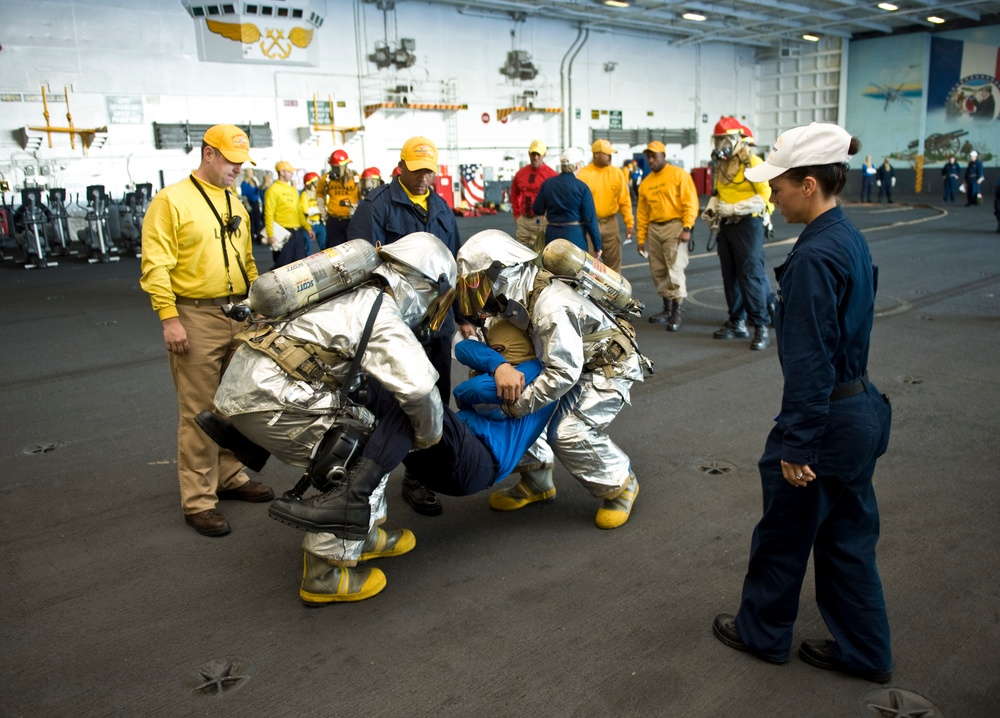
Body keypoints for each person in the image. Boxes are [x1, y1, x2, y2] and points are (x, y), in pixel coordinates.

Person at [212, 233, 558, 602]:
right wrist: (425, 437)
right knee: (359, 454)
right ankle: (325, 571)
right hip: (275, 400)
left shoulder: (349, 292)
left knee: (375, 422)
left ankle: (366, 533)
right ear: (423, 285)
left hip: (245, 391)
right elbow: (421, 389)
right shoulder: (382, 311)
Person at [712, 122, 893, 684]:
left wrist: (798, 442)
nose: (773, 193)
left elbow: (812, 359)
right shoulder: (846, 236)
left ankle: (763, 632)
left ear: (809, 184)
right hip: (860, 409)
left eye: (780, 185)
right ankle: (866, 652)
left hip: (828, 421)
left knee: (784, 535)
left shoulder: (815, 256)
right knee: (847, 541)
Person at [456, 230, 645, 529]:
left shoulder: (550, 304)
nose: (475, 294)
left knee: (567, 431)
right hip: (566, 363)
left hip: (604, 368)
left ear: (501, 274)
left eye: (479, 284)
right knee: (511, 397)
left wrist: (516, 405)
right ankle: (537, 480)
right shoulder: (510, 301)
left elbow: (563, 373)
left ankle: (620, 484)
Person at [139, 123, 274, 537]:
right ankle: (198, 500)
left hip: (237, 312)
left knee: (234, 402)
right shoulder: (171, 201)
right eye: (232, 161)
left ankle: (230, 476)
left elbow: (248, 260)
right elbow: (155, 265)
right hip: (194, 314)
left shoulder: (236, 202)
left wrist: (260, 303)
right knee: (198, 410)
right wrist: (169, 317)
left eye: (242, 162)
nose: (238, 168)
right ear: (208, 154)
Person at [348, 136, 464, 517]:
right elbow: (359, 265)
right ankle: (371, 483)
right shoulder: (377, 207)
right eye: (416, 170)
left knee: (434, 399)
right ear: (400, 166)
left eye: (429, 170)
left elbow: (454, 267)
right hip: (396, 326)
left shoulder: (442, 208)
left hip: (438, 322)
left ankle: (420, 476)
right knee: (389, 402)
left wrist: (463, 319)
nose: (423, 178)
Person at [703, 117, 772, 350]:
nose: (720, 145)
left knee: (750, 275)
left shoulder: (753, 162)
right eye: (717, 140)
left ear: (735, 139)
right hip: (727, 225)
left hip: (747, 224)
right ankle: (736, 321)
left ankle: (760, 326)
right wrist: (713, 208)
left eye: (723, 140)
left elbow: (765, 197)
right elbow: (718, 192)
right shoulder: (722, 166)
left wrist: (733, 208)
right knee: (730, 276)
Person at [635, 140, 699, 332]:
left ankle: (677, 310)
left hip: (675, 226)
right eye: (648, 157)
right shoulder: (646, 183)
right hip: (654, 229)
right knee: (658, 270)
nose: (651, 160)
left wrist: (687, 227)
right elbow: (642, 213)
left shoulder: (679, 175)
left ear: (664, 156)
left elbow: (690, 202)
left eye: (654, 156)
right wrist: (641, 238)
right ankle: (667, 308)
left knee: (675, 267)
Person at [577, 139, 635, 272]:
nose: (610, 156)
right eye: (607, 153)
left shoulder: (617, 173)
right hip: (588, 225)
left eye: (611, 153)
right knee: (588, 265)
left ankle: (612, 292)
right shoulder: (583, 175)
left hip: (610, 224)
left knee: (613, 266)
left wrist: (629, 223)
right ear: (596, 154)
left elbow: (624, 201)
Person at [531, 147, 601, 257]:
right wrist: (597, 245)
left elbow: (537, 209)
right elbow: (590, 220)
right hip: (574, 235)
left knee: (552, 269)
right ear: (577, 165)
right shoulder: (582, 188)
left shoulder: (547, 184)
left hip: (552, 235)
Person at [509, 140, 557, 253]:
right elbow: (514, 193)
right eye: (533, 154)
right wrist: (517, 215)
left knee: (543, 253)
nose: (535, 157)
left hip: (542, 221)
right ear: (529, 154)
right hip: (524, 221)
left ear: (544, 155)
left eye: (538, 155)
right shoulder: (521, 173)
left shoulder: (551, 175)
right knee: (521, 253)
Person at [264, 160, 314, 268]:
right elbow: (269, 213)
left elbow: (299, 211)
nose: (292, 173)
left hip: (297, 232)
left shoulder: (293, 190)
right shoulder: (273, 190)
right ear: (282, 172)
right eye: (289, 171)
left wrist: (307, 227)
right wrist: (270, 235)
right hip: (282, 232)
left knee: (300, 265)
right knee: (283, 265)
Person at [317, 149, 360, 247]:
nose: (334, 171)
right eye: (333, 167)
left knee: (353, 249)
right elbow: (319, 194)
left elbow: (364, 196)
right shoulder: (326, 179)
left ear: (345, 166)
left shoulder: (356, 178)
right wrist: (324, 214)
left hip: (351, 220)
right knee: (334, 251)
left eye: (337, 168)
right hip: (333, 221)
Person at [299, 172, 326, 251]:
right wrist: (319, 210)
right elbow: (305, 210)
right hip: (310, 224)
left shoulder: (321, 194)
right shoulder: (305, 194)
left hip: (320, 224)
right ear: (311, 183)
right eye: (317, 182)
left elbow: (326, 206)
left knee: (325, 246)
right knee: (307, 248)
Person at [239, 168, 264, 241]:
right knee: (251, 220)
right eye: (250, 172)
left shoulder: (254, 182)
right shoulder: (244, 183)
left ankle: (259, 236)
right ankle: (252, 237)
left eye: (252, 172)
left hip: (255, 202)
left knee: (258, 219)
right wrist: (247, 205)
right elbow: (244, 195)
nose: (251, 174)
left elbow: (258, 191)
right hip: (249, 202)